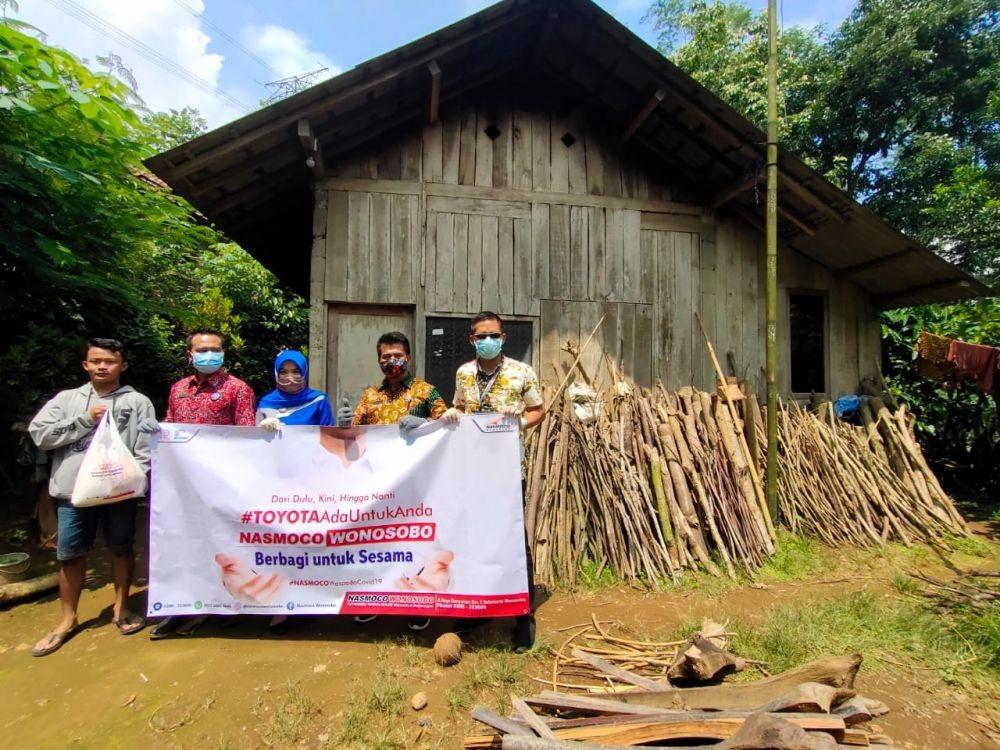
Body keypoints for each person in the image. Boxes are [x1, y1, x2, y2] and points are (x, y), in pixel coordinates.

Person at [28, 338, 158, 656]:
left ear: (122, 366)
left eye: (110, 361)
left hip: (120, 494)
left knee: (121, 547)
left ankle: (121, 608)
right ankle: (67, 619)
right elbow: (39, 435)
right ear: (85, 364)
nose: (102, 366)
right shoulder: (67, 400)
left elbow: (145, 449)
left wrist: (130, 480)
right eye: (96, 361)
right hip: (73, 493)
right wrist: (85, 420)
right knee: (70, 554)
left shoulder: (137, 402)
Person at [442, 311, 545, 652]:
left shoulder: (521, 372)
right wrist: (452, 414)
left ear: (504, 337)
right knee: (474, 538)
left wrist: (520, 423)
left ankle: (521, 615)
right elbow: (457, 406)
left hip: (507, 469)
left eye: (494, 335)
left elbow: (538, 410)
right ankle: (479, 609)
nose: (488, 340)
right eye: (481, 335)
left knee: (512, 537)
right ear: (472, 340)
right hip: (471, 470)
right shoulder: (464, 373)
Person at [149, 327, 256, 639]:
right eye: (202, 349)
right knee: (182, 542)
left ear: (223, 353)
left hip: (222, 484)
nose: (209, 354)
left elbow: (246, 439)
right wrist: (156, 429)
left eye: (215, 349)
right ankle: (180, 608)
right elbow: (170, 427)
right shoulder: (178, 389)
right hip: (183, 486)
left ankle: (223, 606)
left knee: (222, 544)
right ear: (190, 355)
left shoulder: (239, 390)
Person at [351, 330, 448, 631]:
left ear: (408, 357)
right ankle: (374, 598)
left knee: (414, 543)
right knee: (378, 542)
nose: (392, 361)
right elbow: (354, 435)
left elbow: (448, 426)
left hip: (417, 485)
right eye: (385, 356)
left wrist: (428, 422)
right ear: (379, 360)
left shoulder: (425, 392)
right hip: (378, 485)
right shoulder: (370, 396)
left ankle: (417, 603)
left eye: (397, 355)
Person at [256, 349, 333, 633]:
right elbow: (249, 445)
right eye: (284, 371)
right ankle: (279, 608)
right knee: (279, 545)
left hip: (310, 483)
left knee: (308, 543)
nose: (290, 378)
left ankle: (311, 601)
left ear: (305, 373)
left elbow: (328, 437)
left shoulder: (318, 400)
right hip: (276, 484)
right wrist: (261, 430)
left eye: (296, 371)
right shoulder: (265, 403)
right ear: (276, 373)